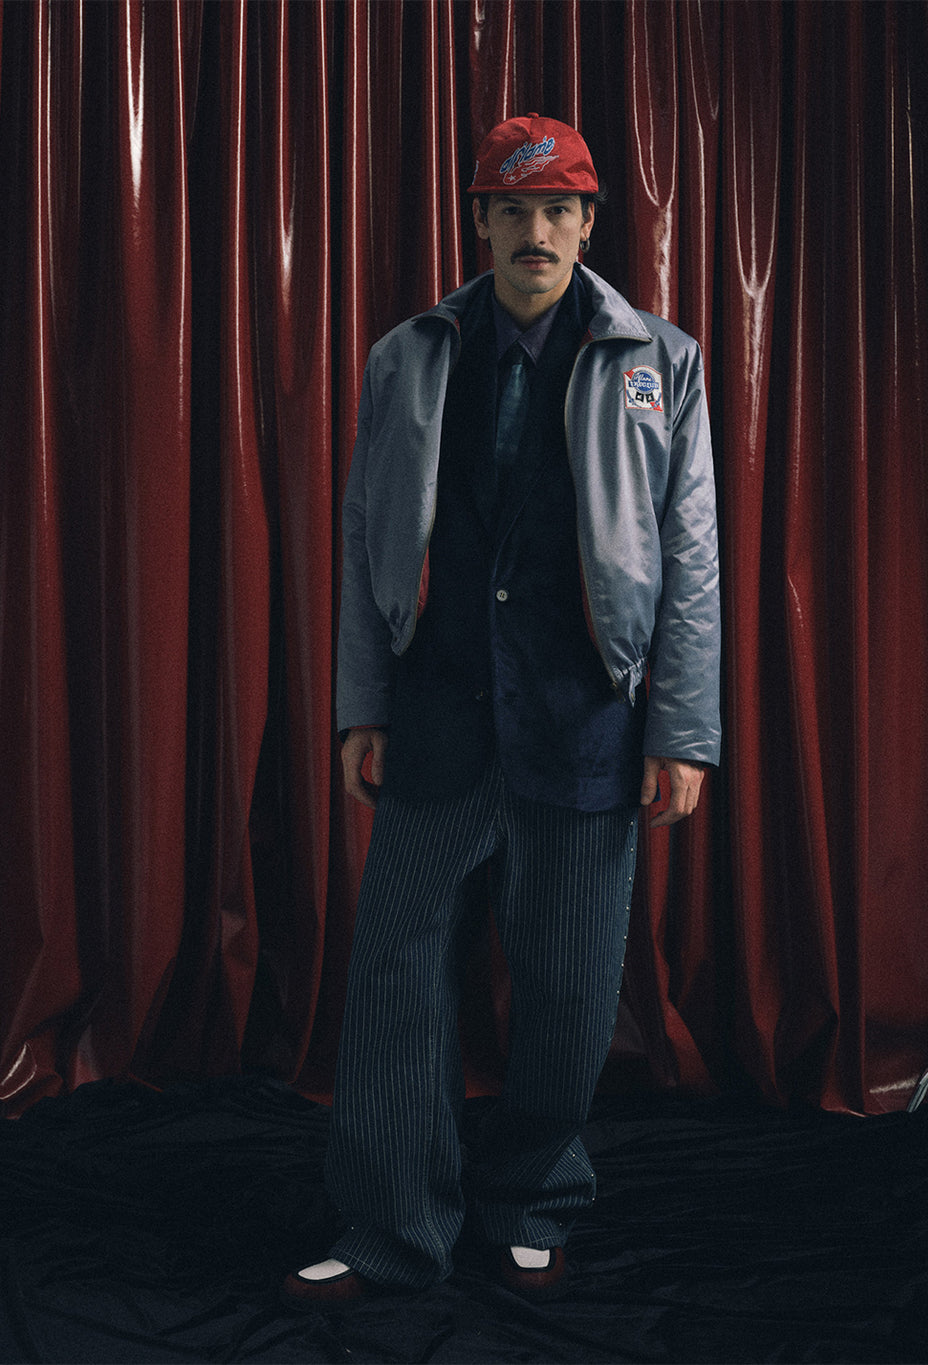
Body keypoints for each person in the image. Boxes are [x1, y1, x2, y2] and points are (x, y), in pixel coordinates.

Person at [282, 113, 721, 1309]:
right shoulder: (408, 355)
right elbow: (367, 538)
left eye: (557, 209)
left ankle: (531, 1199)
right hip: (438, 706)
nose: (536, 230)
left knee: (570, 984)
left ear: (587, 222)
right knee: (395, 976)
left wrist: (682, 730)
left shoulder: (659, 360)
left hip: (585, 712)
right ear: (479, 220)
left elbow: (689, 555)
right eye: (513, 209)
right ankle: (391, 1227)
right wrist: (362, 705)